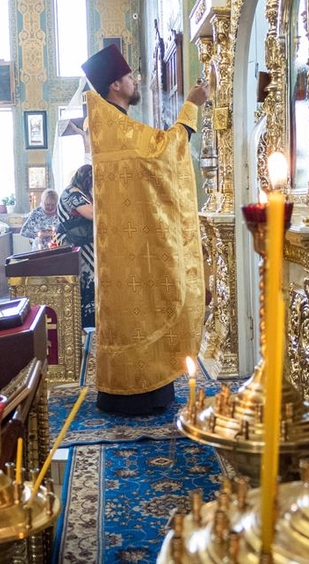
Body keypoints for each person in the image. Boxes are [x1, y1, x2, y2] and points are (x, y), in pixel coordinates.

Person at [81, 44, 208, 415]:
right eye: (130, 76)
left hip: (125, 241)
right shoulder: (115, 127)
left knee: (137, 306)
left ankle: (136, 386)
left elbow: (152, 154)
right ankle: (137, 391)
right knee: (141, 305)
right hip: (129, 242)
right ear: (115, 85)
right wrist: (192, 105)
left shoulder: (110, 124)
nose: (136, 81)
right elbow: (163, 153)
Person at [55, 167, 95, 328]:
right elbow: (92, 213)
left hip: (83, 244)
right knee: (87, 280)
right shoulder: (73, 193)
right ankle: (86, 324)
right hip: (78, 246)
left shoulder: (78, 192)